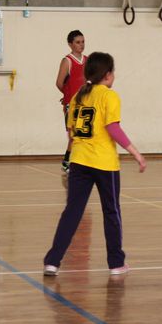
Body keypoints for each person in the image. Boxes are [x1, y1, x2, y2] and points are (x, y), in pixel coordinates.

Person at [44, 52, 146, 277]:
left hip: (79, 162)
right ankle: (116, 263)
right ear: (108, 75)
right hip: (104, 164)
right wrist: (136, 153)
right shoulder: (109, 96)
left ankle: (52, 261)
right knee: (111, 212)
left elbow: (71, 132)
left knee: (72, 212)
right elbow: (113, 128)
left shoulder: (78, 96)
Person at [55, 30, 87, 172]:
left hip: (85, 104)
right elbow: (59, 83)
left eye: (83, 42)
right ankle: (67, 162)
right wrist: (68, 95)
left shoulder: (87, 60)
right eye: (78, 42)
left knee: (83, 134)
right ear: (70, 44)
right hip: (72, 104)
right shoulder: (67, 61)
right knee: (74, 134)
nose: (81, 45)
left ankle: (79, 162)